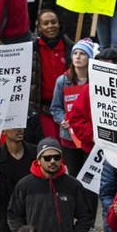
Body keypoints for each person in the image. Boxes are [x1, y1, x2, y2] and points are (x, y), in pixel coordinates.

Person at [7, 138, 92, 232]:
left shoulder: (73, 185)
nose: (52, 161)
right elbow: (13, 216)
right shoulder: (25, 185)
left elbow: (86, 216)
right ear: (39, 160)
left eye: (56, 157)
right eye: (47, 158)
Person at [49, 39, 92, 166]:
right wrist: (63, 120)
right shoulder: (62, 81)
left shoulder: (95, 81)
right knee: (74, 175)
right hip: (69, 137)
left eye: (82, 54)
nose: (77, 57)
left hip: (90, 136)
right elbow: (56, 107)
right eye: (75, 53)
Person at [30, 10, 72, 140]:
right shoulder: (31, 50)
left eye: (53, 22)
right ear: (39, 27)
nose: (50, 26)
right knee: (51, 145)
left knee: (67, 146)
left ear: (59, 24)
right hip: (43, 109)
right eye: (45, 23)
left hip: (66, 109)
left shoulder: (71, 48)